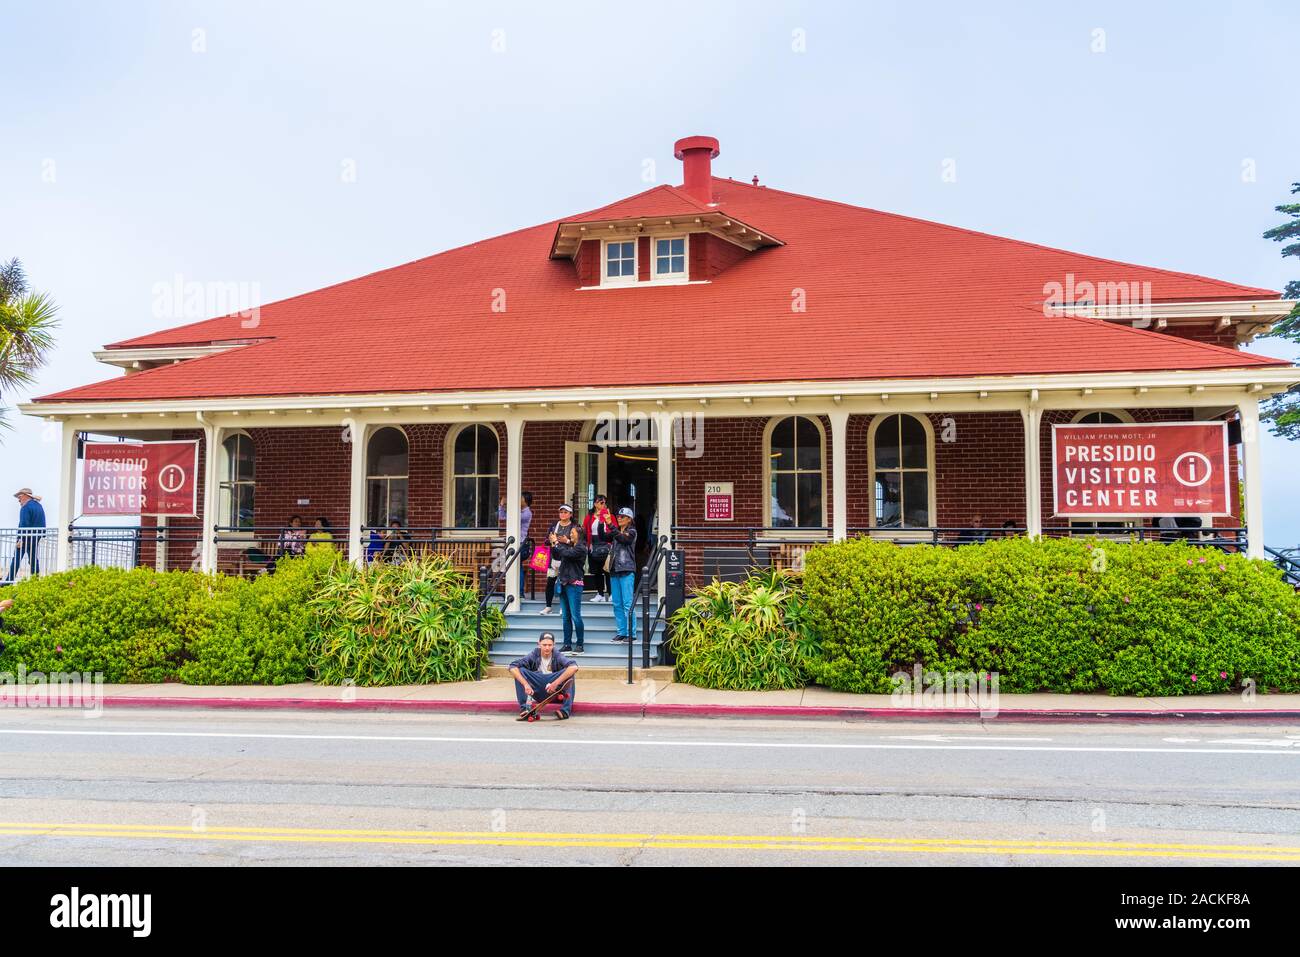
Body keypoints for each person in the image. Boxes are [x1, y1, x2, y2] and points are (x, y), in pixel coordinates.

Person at [509, 631, 578, 720]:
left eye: (550, 645)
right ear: (539, 644)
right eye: (544, 645)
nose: (547, 648)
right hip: (537, 690)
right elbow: (512, 666)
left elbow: (574, 667)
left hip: (553, 692)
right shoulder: (534, 654)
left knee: (569, 672)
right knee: (520, 670)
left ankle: (565, 711)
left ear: (554, 645)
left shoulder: (557, 655)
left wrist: (555, 683)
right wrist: (526, 684)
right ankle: (525, 709)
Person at [550, 524, 588, 654]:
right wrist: (554, 543)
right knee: (566, 616)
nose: (570, 534)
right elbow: (558, 553)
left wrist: (556, 542)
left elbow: (565, 553)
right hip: (564, 583)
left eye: (572, 532)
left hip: (574, 585)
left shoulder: (581, 548)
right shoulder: (571, 546)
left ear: (579, 534)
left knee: (576, 616)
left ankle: (580, 645)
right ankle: (567, 644)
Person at [602, 506, 638, 644]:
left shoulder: (632, 532)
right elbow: (602, 536)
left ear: (629, 519)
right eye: (618, 516)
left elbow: (624, 540)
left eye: (622, 517)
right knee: (617, 603)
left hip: (627, 570)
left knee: (627, 603)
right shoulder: (616, 531)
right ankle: (622, 632)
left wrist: (610, 524)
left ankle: (631, 633)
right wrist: (601, 522)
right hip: (614, 570)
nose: (619, 518)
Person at [539, 502, 578, 615]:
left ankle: (564, 607)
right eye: (561, 512)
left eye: (565, 512)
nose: (562, 514)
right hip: (554, 558)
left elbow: (578, 543)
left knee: (565, 583)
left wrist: (567, 541)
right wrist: (551, 540)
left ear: (570, 514)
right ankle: (548, 606)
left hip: (567, 558)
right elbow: (546, 540)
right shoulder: (554, 525)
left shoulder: (574, 526)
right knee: (550, 582)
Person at [499, 491, 534, 597]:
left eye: (521, 498)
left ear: (525, 501)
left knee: (517, 567)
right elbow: (502, 517)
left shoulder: (526, 513)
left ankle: (520, 593)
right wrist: (502, 505)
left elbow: (511, 518)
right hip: (516, 544)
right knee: (515, 567)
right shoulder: (518, 511)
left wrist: (507, 505)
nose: (518, 499)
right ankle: (517, 592)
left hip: (521, 545)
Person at [8, 488, 47, 583]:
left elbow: (23, 524)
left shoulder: (25, 507)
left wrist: (20, 539)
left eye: (19, 497)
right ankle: (35, 581)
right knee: (33, 560)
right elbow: (43, 522)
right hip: (35, 537)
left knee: (16, 559)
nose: (18, 499)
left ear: (26, 496)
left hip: (25, 538)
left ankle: (8, 582)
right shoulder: (39, 506)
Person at [583, 494, 614, 602]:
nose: (603, 504)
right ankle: (599, 594)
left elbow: (614, 530)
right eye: (601, 502)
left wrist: (611, 544)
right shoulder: (589, 517)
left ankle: (611, 594)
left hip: (606, 545)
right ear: (595, 504)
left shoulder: (609, 516)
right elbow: (585, 531)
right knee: (597, 571)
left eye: (605, 502)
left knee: (608, 571)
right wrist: (587, 545)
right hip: (594, 545)